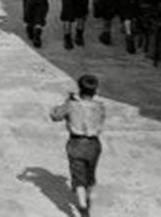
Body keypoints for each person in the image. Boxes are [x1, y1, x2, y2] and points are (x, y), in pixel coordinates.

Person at [49, 73, 107, 216]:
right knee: (90, 174)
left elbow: (56, 116)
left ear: (79, 88)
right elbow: (99, 119)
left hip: (76, 143)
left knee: (78, 177)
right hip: (94, 144)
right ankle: (89, 198)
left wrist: (65, 102)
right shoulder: (100, 107)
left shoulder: (71, 104)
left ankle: (82, 207)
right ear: (95, 91)